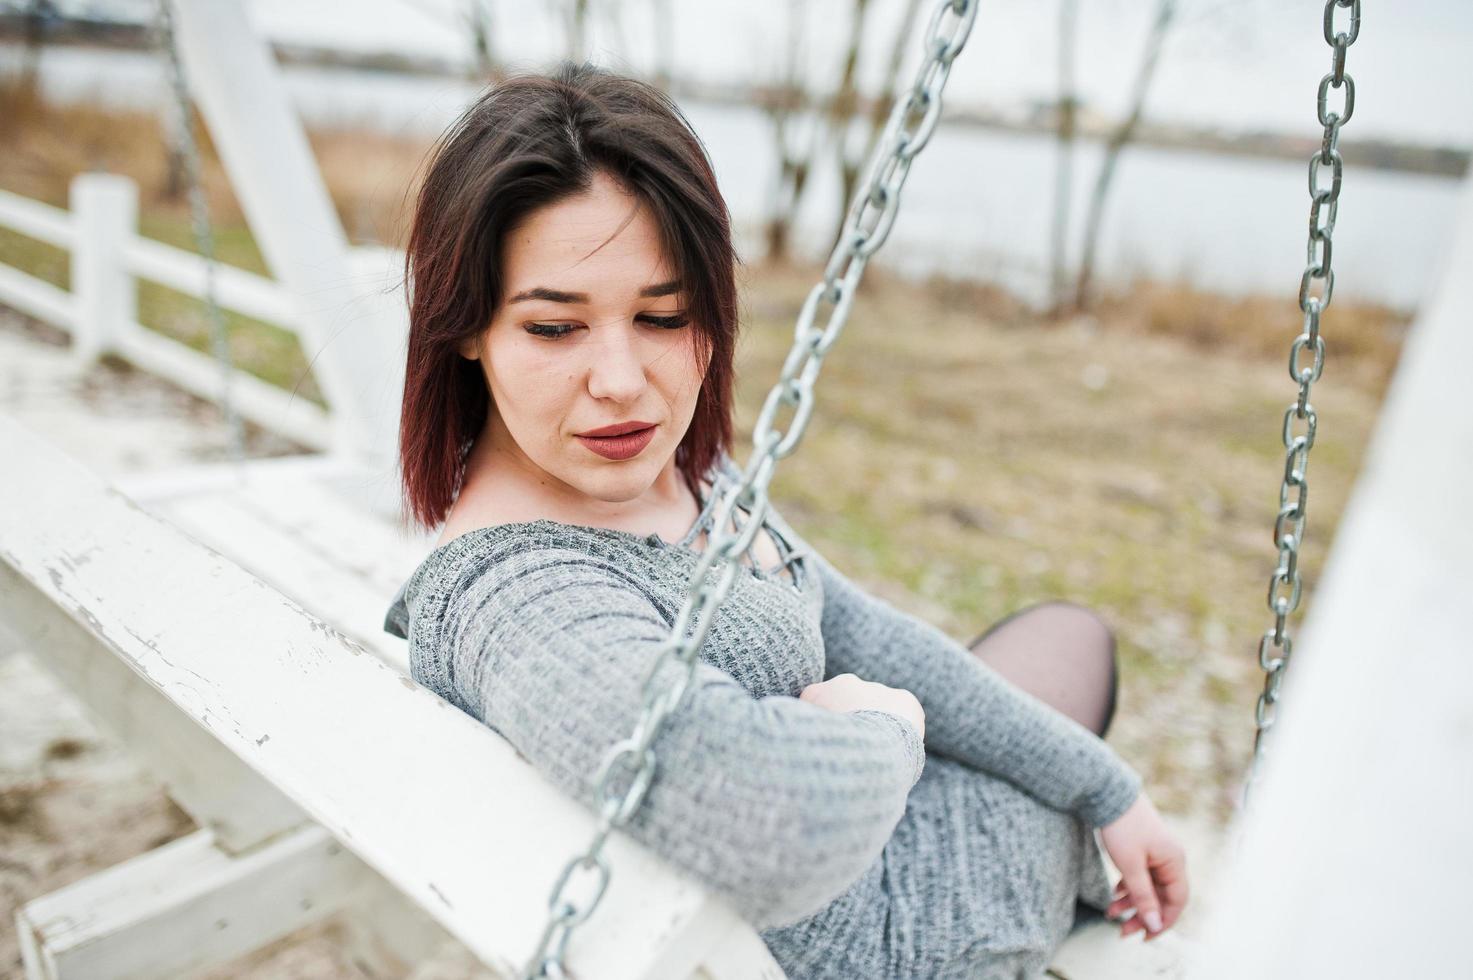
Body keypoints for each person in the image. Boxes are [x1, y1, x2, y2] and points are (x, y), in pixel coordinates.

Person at [383, 62, 1188, 979]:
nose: (619, 381)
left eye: (664, 315)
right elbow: (770, 825)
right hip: (902, 932)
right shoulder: (519, 595)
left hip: (882, 834)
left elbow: (853, 626)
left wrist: (1105, 788)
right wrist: (886, 726)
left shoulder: (659, 468)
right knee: (1068, 646)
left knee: (1065, 640)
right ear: (464, 325)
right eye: (554, 328)